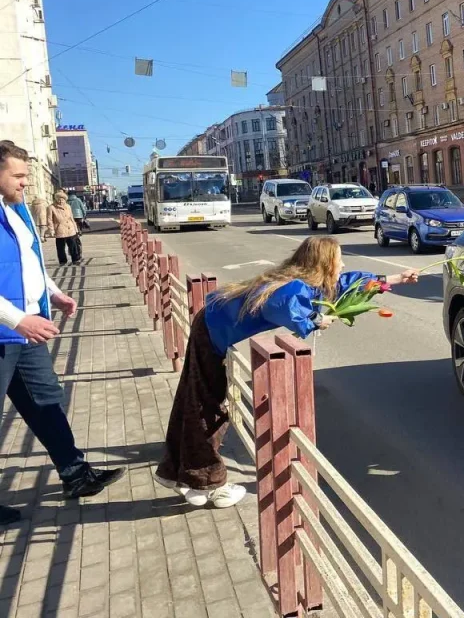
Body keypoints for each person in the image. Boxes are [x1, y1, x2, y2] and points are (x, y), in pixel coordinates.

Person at [154, 236, 419, 508]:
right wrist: (315, 320)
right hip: (211, 331)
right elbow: (280, 307)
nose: (342, 264)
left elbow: (347, 283)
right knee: (206, 408)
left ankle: (175, 472)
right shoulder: (292, 287)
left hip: (212, 326)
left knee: (196, 398)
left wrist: (396, 279)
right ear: (324, 263)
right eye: (338, 259)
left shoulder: (307, 284)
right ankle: (204, 483)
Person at [0, 141, 124, 525]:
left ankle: (75, 473)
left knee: (46, 401)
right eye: (18, 175)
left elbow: (28, 263)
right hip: (9, 331)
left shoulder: (16, 209)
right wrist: (16, 319)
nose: (25, 182)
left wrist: (54, 294)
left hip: (27, 332)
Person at [48, 192, 81, 265]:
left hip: (70, 229)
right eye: (59, 199)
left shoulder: (68, 206)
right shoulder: (51, 207)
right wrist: (51, 230)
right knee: (60, 247)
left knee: (73, 245)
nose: (61, 201)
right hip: (60, 229)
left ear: (65, 199)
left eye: (62, 199)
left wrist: (76, 229)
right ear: (56, 199)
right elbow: (49, 220)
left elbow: (71, 218)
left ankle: (75, 259)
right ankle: (63, 261)